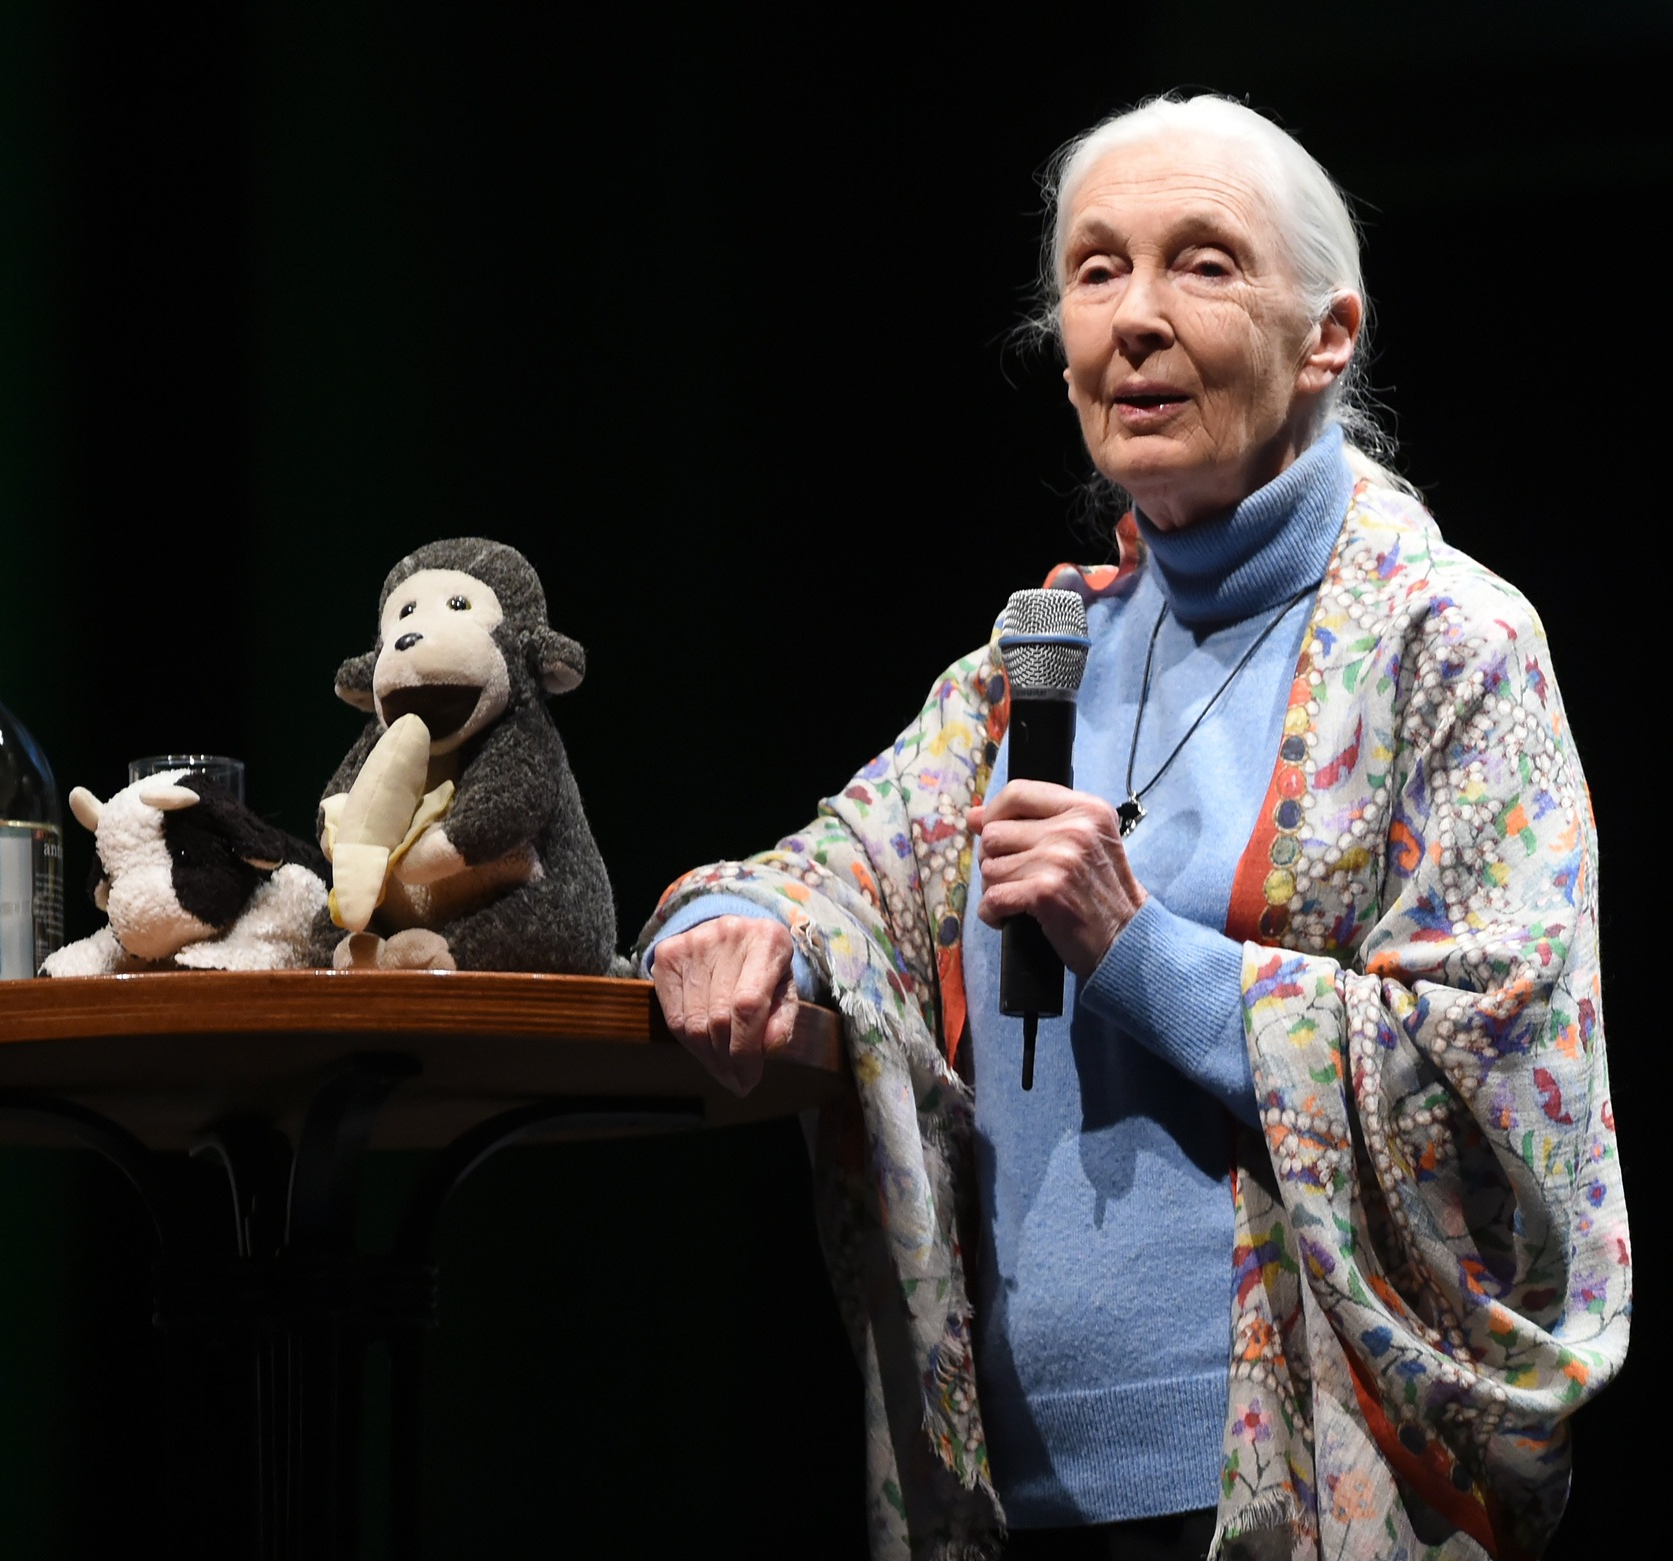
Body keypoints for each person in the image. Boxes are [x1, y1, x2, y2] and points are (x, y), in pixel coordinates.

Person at [641, 94, 1628, 1561]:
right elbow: (836, 871)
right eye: (1097, 270)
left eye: (1204, 264)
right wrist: (727, 929)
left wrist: (1135, 946)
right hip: (1020, 1492)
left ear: (1328, 336)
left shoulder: (1446, 648)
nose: (1135, 320)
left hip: (1297, 1481)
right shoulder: (1032, 661)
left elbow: (1496, 1071)